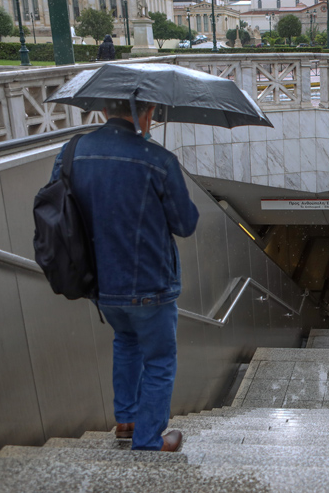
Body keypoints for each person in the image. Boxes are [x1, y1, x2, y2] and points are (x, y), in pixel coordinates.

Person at [49, 98, 199, 452]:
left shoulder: (71, 152)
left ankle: (126, 419)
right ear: (146, 113)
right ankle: (148, 439)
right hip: (150, 282)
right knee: (159, 359)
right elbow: (185, 223)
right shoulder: (159, 160)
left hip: (100, 281)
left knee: (126, 341)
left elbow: (59, 206)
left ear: (104, 111)